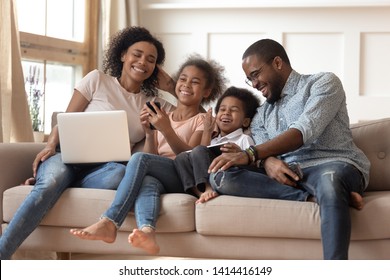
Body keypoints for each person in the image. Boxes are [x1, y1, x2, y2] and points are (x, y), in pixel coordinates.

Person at [0, 26, 174, 260]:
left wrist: (172, 87)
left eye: (151, 60)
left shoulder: (152, 102)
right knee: (50, 184)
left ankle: (63, 182)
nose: (143, 62)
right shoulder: (97, 80)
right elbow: (64, 120)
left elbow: (198, 115)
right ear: (123, 55)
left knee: (119, 174)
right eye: (137, 54)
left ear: (155, 68)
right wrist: (50, 146)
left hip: (105, 170)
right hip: (66, 156)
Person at [207, 38, 370, 260]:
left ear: (277, 63)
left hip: (332, 164)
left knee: (329, 182)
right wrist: (267, 162)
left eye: (255, 75)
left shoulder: (322, 83)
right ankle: (318, 197)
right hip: (288, 173)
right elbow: (266, 151)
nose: (254, 84)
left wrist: (251, 155)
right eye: (249, 80)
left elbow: (302, 132)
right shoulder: (261, 115)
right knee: (221, 176)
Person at [69, 54, 227, 255]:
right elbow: (154, 155)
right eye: (183, 79)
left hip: (183, 176)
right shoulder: (165, 115)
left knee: (138, 159)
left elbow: (189, 156)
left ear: (206, 92)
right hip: (164, 173)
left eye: (195, 82)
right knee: (147, 181)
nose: (187, 85)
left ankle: (110, 221)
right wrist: (150, 133)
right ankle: (148, 231)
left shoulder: (202, 120)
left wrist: (167, 130)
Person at [174, 86, 262, 203]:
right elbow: (199, 155)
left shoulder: (244, 139)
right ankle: (201, 192)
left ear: (245, 121)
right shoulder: (214, 140)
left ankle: (208, 188)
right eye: (222, 109)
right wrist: (207, 132)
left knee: (200, 150)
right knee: (181, 157)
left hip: (227, 176)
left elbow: (252, 164)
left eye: (234, 110)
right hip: (209, 174)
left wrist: (240, 154)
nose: (226, 113)